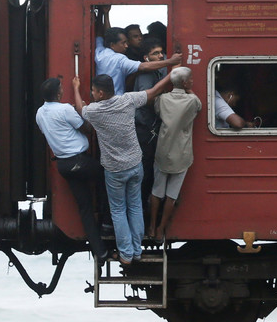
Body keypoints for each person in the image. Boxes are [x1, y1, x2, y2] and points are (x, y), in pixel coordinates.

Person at [74, 72, 173, 266]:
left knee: (118, 211)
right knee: (135, 207)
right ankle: (136, 251)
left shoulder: (95, 111)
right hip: (135, 164)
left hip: (115, 170)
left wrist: (76, 89)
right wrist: (171, 75)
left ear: (101, 93)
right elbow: (153, 91)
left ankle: (126, 255)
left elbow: (80, 109)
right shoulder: (128, 100)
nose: (92, 94)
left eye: (93, 91)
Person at [36, 75, 109, 263]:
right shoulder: (65, 109)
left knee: (84, 209)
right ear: (59, 92)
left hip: (64, 165)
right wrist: (83, 110)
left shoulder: (39, 114)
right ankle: (108, 222)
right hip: (80, 161)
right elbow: (87, 129)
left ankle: (100, 252)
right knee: (109, 178)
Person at [149, 67, 201, 241]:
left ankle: (151, 225)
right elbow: (199, 105)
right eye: (190, 79)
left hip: (163, 150)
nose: (192, 81)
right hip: (182, 153)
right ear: (185, 83)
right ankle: (161, 228)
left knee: (157, 192)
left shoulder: (162, 99)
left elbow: (156, 110)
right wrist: (187, 89)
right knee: (171, 195)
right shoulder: (192, 101)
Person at [93, 6, 181, 95]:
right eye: (123, 43)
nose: (126, 46)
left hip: (101, 98)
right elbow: (143, 67)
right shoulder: (120, 59)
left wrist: (102, 13)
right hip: (117, 100)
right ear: (112, 45)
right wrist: (171, 61)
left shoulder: (99, 52)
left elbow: (102, 34)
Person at [133, 38, 167, 208]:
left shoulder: (159, 71)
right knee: (146, 170)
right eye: (156, 54)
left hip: (151, 127)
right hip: (145, 129)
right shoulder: (146, 75)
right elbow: (145, 98)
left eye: (161, 52)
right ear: (146, 58)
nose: (161, 56)